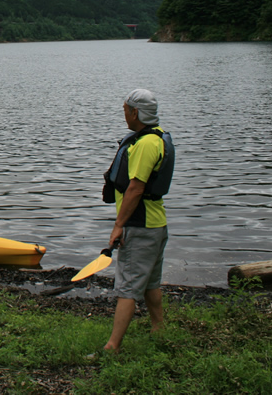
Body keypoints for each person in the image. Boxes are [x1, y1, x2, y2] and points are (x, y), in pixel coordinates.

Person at [101, 88, 175, 353]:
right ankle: (159, 329)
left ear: (135, 112)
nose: (123, 114)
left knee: (128, 287)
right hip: (156, 224)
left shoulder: (144, 144)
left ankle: (112, 346)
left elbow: (135, 188)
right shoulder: (159, 137)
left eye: (124, 110)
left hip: (140, 225)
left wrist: (119, 225)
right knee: (150, 282)